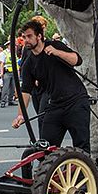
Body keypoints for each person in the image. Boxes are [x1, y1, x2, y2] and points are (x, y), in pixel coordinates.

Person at [12, 19, 90, 152]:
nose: (26, 40)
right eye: (24, 37)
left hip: (76, 101)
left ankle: (85, 171)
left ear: (39, 36)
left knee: (82, 147)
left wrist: (57, 52)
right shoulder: (29, 63)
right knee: (45, 148)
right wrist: (21, 115)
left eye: (29, 36)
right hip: (54, 105)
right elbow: (25, 91)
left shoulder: (55, 45)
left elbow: (77, 60)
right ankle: (47, 171)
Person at [0, 42, 18, 107]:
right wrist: (1, 73)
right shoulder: (4, 53)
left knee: (13, 87)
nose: (14, 47)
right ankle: (3, 101)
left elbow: (16, 63)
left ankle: (10, 100)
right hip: (7, 72)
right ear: (8, 46)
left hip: (14, 72)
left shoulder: (14, 53)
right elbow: (2, 63)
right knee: (6, 87)